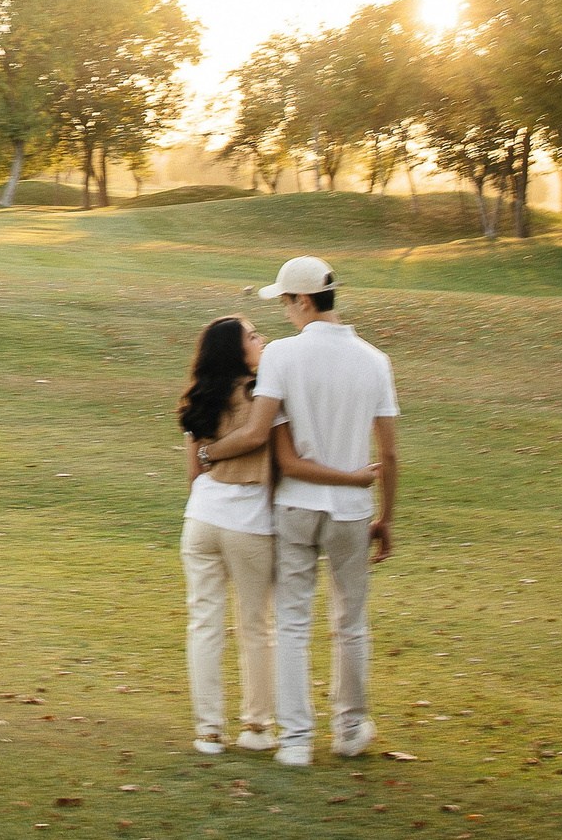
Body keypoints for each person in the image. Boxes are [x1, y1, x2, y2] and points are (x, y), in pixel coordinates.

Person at [198, 256, 399, 767]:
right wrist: (387, 517)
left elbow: (261, 432)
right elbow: (390, 454)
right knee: (350, 621)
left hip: (296, 506)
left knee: (291, 621)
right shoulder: (375, 360)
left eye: (286, 302)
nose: (285, 313)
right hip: (353, 510)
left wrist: (207, 453)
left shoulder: (283, 357)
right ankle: (350, 727)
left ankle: (295, 740)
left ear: (304, 300)